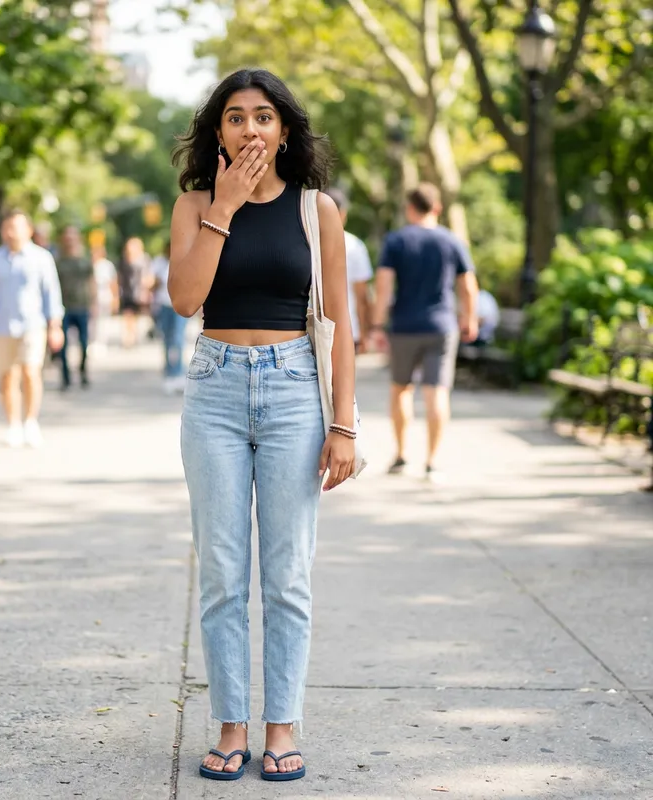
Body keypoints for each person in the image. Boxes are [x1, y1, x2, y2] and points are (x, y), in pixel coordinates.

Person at [169, 68, 356, 782]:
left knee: (287, 576)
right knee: (221, 573)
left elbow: (339, 324)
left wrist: (345, 427)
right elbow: (186, 299)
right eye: (236, 116)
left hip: (293, 393)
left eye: (264, 116)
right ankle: (230, 725)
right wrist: (224, 205)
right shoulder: (194, 205)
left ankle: (282, 726)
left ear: (283, 131)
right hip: (214, 391)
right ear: (218, 132)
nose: (250, 128)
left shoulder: (317, 210)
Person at [370, 183, 479, 481]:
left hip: (404, 326)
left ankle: (401, 455)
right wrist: (470, 319)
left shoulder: (396, 241)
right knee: (437, 392)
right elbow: (468, 286)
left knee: (400, 389)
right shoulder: (452, 241)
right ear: (438, 208)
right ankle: (432, 462)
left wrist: (377, 325)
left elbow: (383, 287)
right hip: (441, 327)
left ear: (410, 208)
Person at [0, 209, 64, 447]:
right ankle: (13, 424)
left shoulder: (41, 258)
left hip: (33, 325)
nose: (11, 233)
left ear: (29, 230)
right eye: (7, 228)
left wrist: (55, 325)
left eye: (16, 227)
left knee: (31, 372)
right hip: (3, 325)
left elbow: (51, 293)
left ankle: (31, 422)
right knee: (7, 375)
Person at [327, 189, 373, 353]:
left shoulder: (303, 240)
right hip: (348, 329)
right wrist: (365, 332)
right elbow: (362, 295)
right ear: (343, 213)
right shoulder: (355, 245)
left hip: (308, 330)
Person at [56, 225, 95, 390]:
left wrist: (94, 303)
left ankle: (83, 371)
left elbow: (92, 282)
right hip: (63, 308)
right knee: (62, 345)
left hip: (82, 306)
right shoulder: (58, 262)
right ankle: (65, 377)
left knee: (84, 343)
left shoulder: (84, 261)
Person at [150, 241, 188, 394]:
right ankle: (169, 371)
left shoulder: (183, 258)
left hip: (178, 306)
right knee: (166, 339)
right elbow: (152, 284)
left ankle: (178, 371)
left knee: (178, 338)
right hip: (164, 305)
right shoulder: (159, 262)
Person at [118, 237, 150, 348]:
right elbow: (121, 276)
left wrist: (145, 291)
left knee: (135, 315)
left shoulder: (143, 259)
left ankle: (133, 334)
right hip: (127, 291)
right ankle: (128, 336)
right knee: (127, 314)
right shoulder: (124, 260)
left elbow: (145, 275)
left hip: (137, 291)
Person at [91, 244, 119, 351]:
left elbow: (113, 282)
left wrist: (115, 297)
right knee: (93, 320)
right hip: (94, 296)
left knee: (104, 319)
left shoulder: (107, 265)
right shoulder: (92, 264)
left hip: (105, 294)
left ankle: (102, 342)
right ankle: (94, 341)